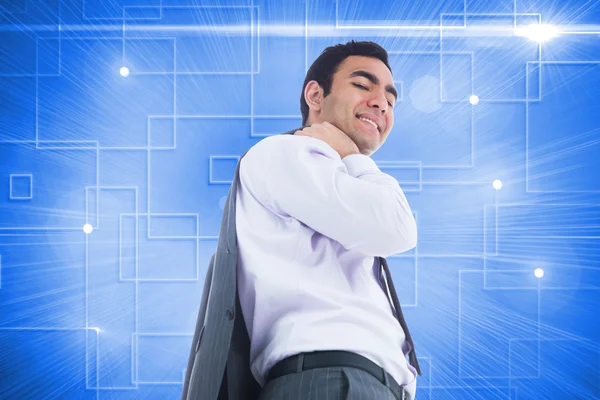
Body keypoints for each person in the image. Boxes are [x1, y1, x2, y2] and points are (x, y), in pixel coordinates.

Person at [181, 40, 421, 400]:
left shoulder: (341, 181)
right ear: (315, 94)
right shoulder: (283, 153)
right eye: (362, 84)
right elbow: (396, 228)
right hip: (328, 382)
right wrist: (353, 157)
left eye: (390, 97)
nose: (381, 102)